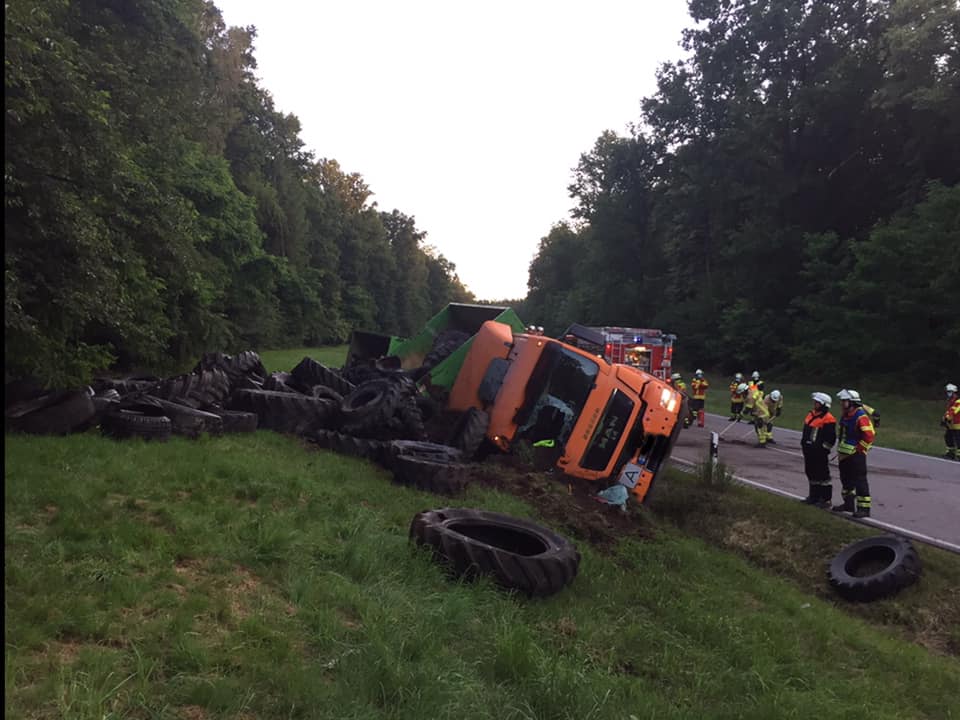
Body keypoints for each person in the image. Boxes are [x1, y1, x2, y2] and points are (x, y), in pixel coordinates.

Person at [833, 388, 876, 518]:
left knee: (859, 480)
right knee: (846, 480)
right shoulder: (846, 415)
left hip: (856, 455)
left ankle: (864, 508)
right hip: (844, 454)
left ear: (852, 402)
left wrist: (860, 449)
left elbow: (869, 435)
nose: (841, 403)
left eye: (844, 401)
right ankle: (848, 503)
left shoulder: (860, 416)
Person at [801, 392, 837, 507]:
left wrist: (823, 450)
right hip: (809, 451)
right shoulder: (811, 414)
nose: (815, 404)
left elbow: (831, 438)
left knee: (822, 476)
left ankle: (826, 499)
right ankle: (814, 496)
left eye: (817, 402)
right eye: (815, 402)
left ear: (824, 404)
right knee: (811, 473)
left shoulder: (828, 419)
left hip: (819, 453)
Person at [942, 383, 960, 460]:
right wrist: (943, 418)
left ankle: (959, 455)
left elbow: (954, 411)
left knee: (958, 439)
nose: (948, 393)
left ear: (954, 392)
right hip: (952, 424)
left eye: (949, 392)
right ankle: (950, 453)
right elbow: (949, 411)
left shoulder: (958, 401)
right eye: (947, 392)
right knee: (947, 437)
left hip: (958, 424)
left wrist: (947, 418)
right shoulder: (951, 401)